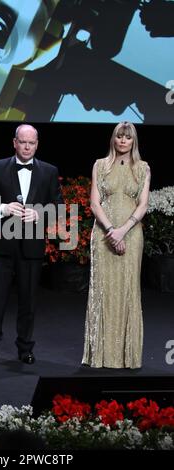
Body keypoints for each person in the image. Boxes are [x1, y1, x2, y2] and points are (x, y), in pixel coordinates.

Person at [0, 124, 63, 364]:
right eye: (22, 142)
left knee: (28, 301)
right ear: (14, 142)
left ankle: (25, 348)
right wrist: (2, 208)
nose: (27, 147)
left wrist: (40, 214)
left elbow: (59, 206)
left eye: (31, 143)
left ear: (37, 144)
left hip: (32, 247)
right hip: (3, 246)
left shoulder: (49, 171)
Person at [82, 121, 151, 369]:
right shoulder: (100, 165)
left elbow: (143, 205)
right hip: (103, 234)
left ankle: (126, 357)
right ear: (114, 139)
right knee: (103, 290)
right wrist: (111, 230)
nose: (123, 141)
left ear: (134, 142)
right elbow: (94, 203)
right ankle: (100, 356)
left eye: (128, 137)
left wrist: (123, 231)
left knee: (128, 290)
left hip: (131, 235)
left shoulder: (142, 168)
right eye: (119, 137)